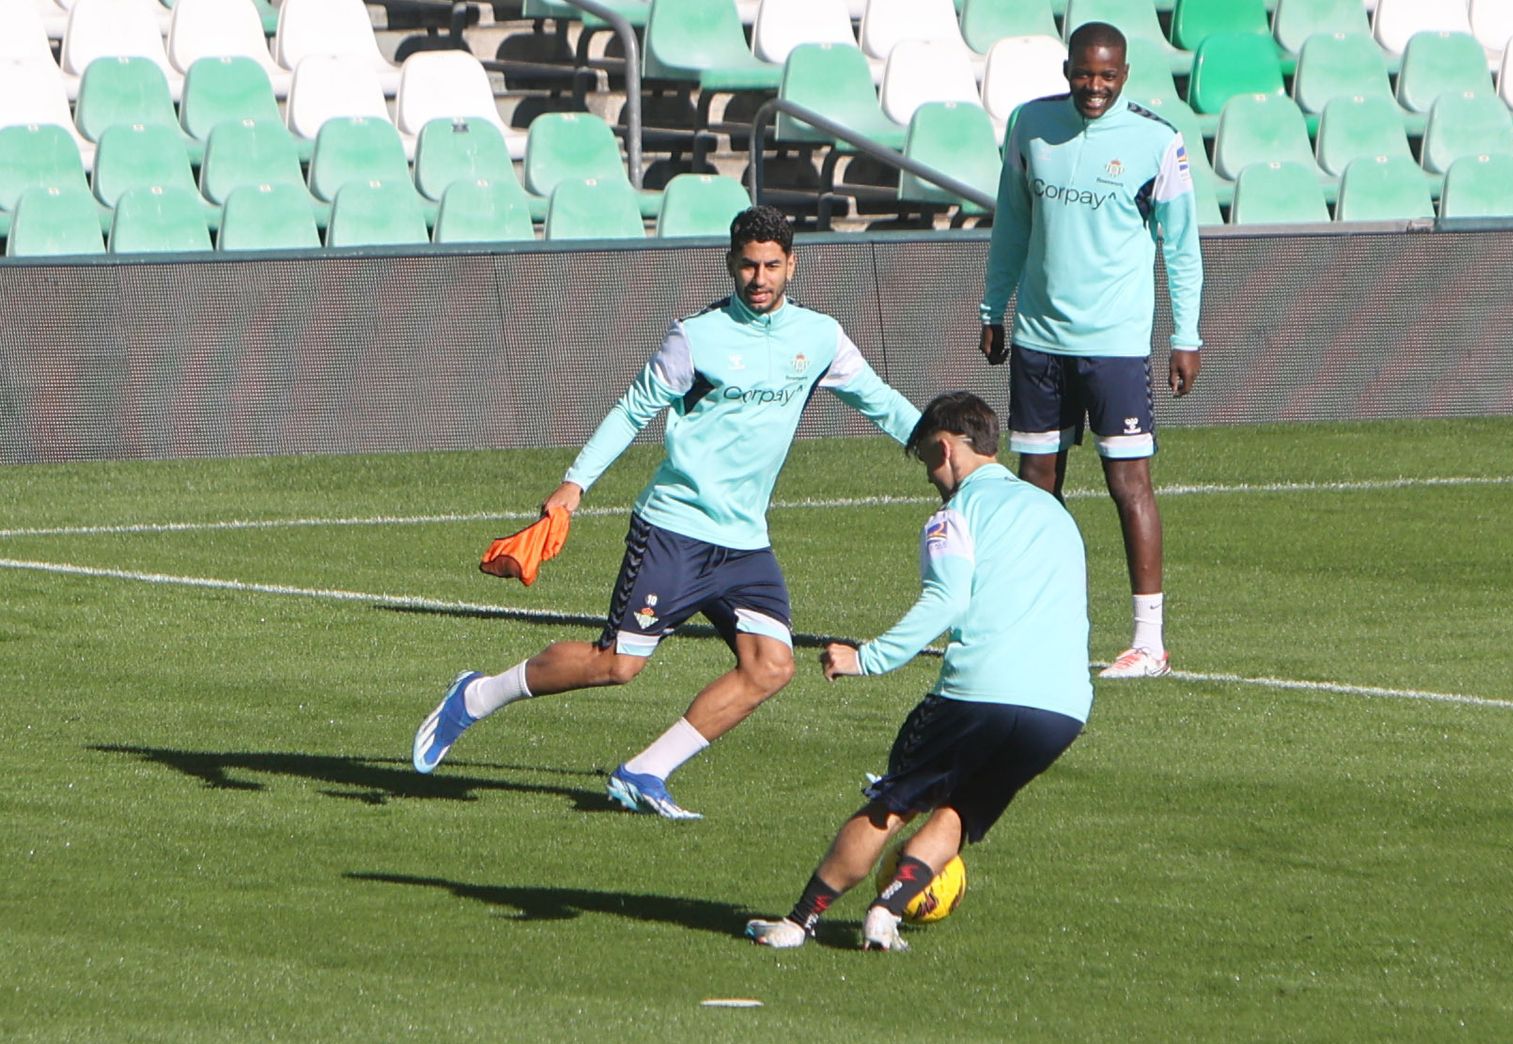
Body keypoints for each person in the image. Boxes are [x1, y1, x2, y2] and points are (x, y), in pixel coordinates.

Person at [412, 205, 922, 819]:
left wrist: (949, 455)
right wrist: (575, 484)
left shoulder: (818, 337)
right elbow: (633, 409)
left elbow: (880, 401)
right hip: (674, 529)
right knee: (618, 665)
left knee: (770, 666)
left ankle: (646, 771)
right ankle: (477, 695)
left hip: (745, 541)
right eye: (747, 266)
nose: (759, 279)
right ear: (730, 265)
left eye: (771, 266)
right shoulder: (696, 336)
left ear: (792, 265)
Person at [745, 391, 1091, 951]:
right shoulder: (1054, 511)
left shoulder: (956, 514)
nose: (931, 476)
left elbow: (946, 601)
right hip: (1062, 708)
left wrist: (867, 658)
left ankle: (798, 922)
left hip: (980, 694)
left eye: (930, 458)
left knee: (895, 803)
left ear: (949, 446)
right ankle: (886, 914)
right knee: (960, 810)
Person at [979, 21, 1204, 679]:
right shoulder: (1029, 126)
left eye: (1107, 76)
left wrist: (1185, 336)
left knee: (1127, 482)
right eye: (1084, 73)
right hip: (1038, 340)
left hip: (1115, 345)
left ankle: (1148, 640)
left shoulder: (1156, 141)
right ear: (1068, 69)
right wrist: (995, 309)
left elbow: (1181, 247)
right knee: (1036, 484)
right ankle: (1036, 624)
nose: (1094, 87)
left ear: (1125, 74)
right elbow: (1011, 225)